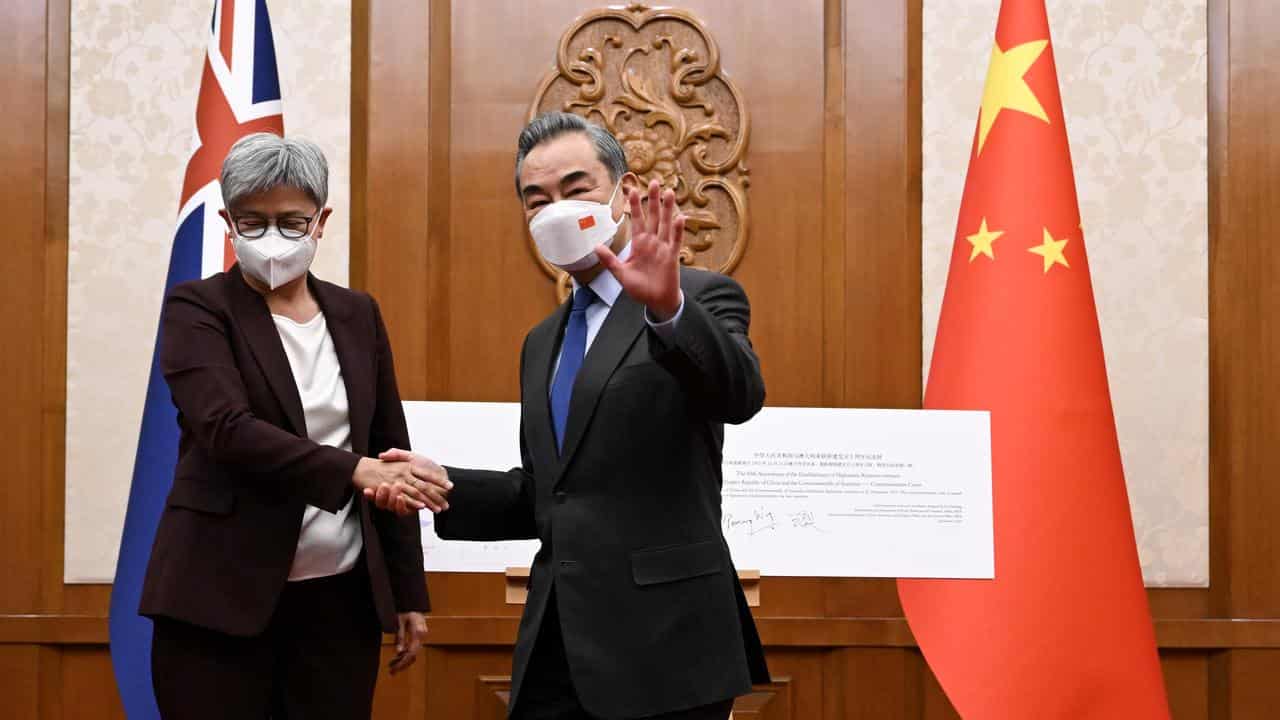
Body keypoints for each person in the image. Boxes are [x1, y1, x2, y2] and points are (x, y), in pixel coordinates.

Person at [379, 112, 770, 719]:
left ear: (624, 192)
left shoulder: (697, 296)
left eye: (575, 188)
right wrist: (445, 488)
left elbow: (739, 395)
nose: (554, 209)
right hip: (558, 644)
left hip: (669, 648)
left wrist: (667, 307)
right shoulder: (543, 341)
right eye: (536, 199)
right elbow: (551, 492)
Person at [139, 133, 451, 719]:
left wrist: (408, 592)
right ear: (229, 222)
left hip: (339, 606)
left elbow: (389, 452)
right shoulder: (199, 309)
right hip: (218, 599)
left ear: (321, 220)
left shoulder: (358, 313)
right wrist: (353, 470)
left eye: (290, 220)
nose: (271, 237)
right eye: (252, 222)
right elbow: (226, 429)